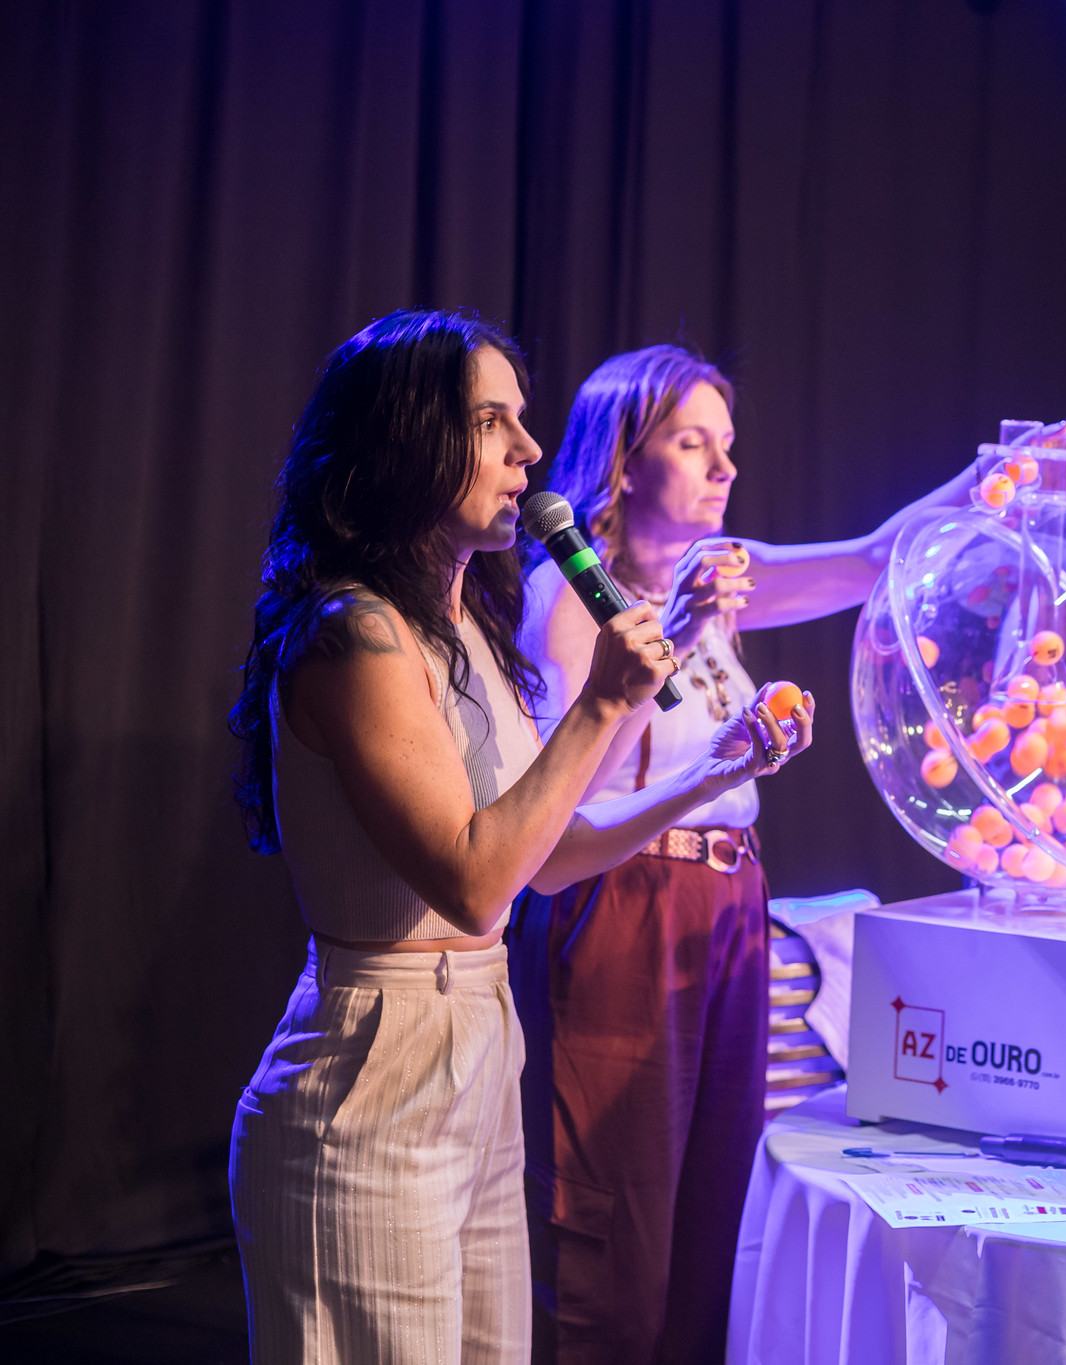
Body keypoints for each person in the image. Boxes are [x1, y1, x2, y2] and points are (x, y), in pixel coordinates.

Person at [511, 344, 1066, 1363]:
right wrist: (677, 636)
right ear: (622, 460)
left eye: (727, 443)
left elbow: (874, 558)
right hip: (621, 900)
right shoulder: (568, 595)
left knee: (715, 1205)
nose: (724, 467)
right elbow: (564, 803)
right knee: (614, 1220)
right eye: (692, 443)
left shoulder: (713, 573)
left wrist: (992, 480)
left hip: (725, 901)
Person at [226, 311, 811, 1364]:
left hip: (481, 1040)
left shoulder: (466, 631)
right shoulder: (352, 633)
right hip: (376, 1059)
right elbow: (474, 881)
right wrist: (602, 703)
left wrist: (721, 769)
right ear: (408, 440)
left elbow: (550, 855)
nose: (529, 451)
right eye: (490, 422)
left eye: (521, 421)